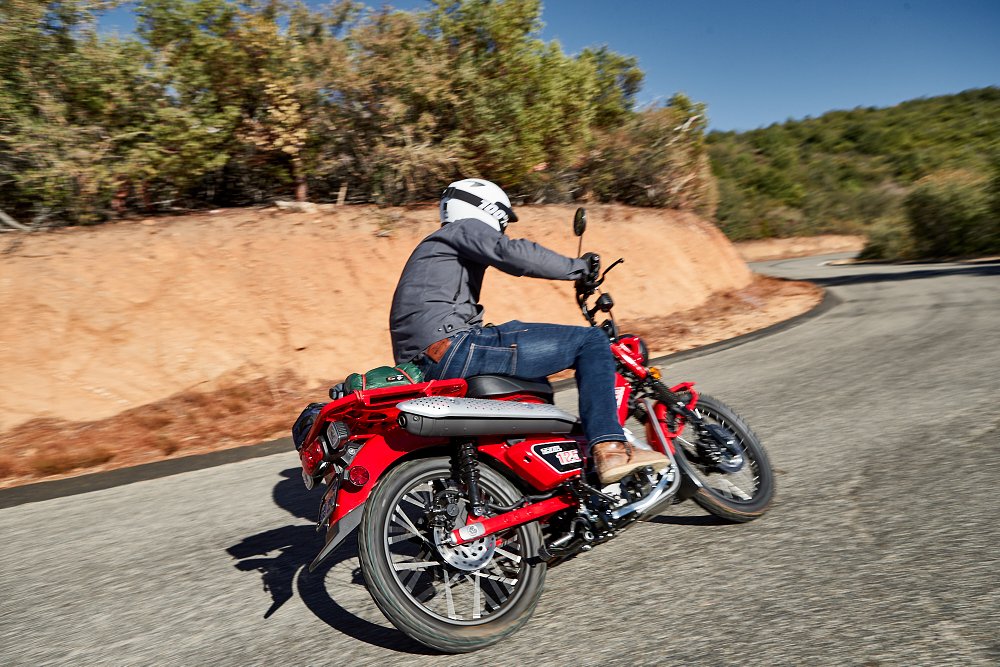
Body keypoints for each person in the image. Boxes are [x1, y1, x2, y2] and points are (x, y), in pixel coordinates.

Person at [389, 178, 668, 484]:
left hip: (429, 363)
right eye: (503, 220)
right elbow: (513, 253)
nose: (503, 227)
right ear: (486, 210)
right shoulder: (464, 228)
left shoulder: (436, 247)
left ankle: (546, 471)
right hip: (454, 347)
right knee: (590, 342)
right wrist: (579, 267)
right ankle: (610, 446)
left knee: (533, 381)